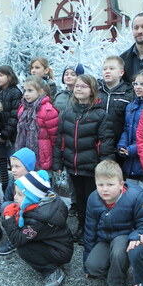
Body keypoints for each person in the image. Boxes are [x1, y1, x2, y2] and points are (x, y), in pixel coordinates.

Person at [53, 74, 115, 244]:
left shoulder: (100, 114)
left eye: (84, 86)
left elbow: (106, 143)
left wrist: (105, 168)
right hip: (73, 164)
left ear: (92, 90)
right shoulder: (67, 112)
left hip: (91, 167)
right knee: (79, 199)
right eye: (78, 86)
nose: (79, 89)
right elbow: (60, 139)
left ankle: (93, 230)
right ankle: (81, 227)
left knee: (92, 199)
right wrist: (57, 162)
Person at [84, 160, 143, 286]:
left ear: (121, 184)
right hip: (105, 239)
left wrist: (136, 235)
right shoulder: (93, 199)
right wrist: (86, 263)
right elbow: (89, 230)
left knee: (118, 250)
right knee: (93, 267)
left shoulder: (137, 196)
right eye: (100, 185)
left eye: (110, 184)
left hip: (126, 238)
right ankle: (114, 266)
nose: (104, 189)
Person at [2, 170, 73, 286]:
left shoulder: (38, 219)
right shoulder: (40, 203)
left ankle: (52, 271)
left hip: (60, 251)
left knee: (23, 249)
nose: (15, 197)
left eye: (20, 194)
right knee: (25, 241)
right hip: (58, 245)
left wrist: (9, 219)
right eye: (16, 193)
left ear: (31, 197)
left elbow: (17, 240)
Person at [118, 68, 143, 191]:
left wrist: (132, 149)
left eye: (142, 84)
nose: (137, 87)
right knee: (131, 194)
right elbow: (126, 129)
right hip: (130, 160)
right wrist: (122, 144)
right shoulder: (131, 106)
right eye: (135, 83)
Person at [0, 147, 37, 256]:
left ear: (28, 168)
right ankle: (13, 239)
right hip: (18, 211)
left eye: (17, 167)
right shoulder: (13, 181)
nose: (13, 170)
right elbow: (7, 199)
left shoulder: (37, 182)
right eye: (12, 166)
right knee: (5, 206)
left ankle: (33, 240)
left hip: (34, 215)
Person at [0, 65, 23, 192]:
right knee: (2, 164)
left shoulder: (15, 92)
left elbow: (15, 116)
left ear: (9, 76)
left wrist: (4, 135)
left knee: (14, 164)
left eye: (1, 75)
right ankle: (5, 189)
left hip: (11, 137)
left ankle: (15, 190)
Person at [15, 76, 59, 171]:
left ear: (40, 92)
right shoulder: (23, 109)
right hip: (24, 154)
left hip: (41, 156)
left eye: (30, 91)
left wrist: (55, 160)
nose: (26, 94)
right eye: (25, 90)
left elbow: (55, 138)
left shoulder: (48, 110)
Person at [98, 56, 134, 145]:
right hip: (97, 144)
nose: (107, 71)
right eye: (104, 69)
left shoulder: (129, 94)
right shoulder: (95, 91)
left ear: (121, 72)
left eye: (112, 68)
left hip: (119, 143)